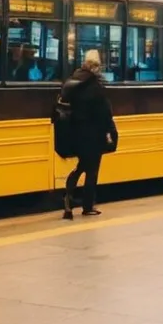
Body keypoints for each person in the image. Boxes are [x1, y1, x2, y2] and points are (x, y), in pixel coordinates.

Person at [60, 49, 117, 220]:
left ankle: (68, 197)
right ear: (96, 66)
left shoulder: (74, 80)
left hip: (76, 133)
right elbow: (104, 113)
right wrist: (111, 131)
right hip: (93, 134)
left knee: (81, 167)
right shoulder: (95, 85)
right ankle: (87, 206)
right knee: (91, 171)